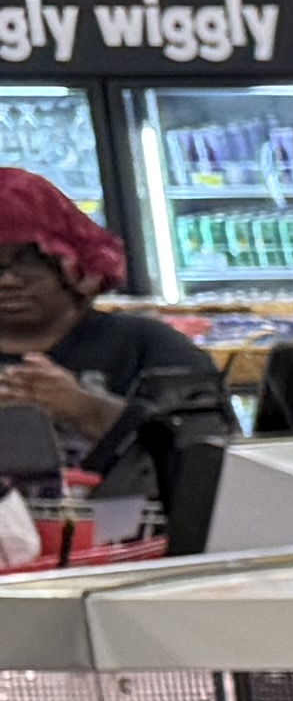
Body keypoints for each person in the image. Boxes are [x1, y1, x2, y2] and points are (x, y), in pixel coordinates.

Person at [0, 169, 219, 485]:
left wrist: (86, 409)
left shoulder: (147, 346)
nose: (7, 281)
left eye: (27, 262)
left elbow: (212, 458)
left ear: (75, 264)